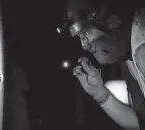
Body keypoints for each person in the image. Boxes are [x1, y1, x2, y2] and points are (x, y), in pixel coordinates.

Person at [59, 0, 145, 129]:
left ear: (111, 21)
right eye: (80, 38)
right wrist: (101, 95)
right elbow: (141, 123)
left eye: (86, 33)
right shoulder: (128, 54)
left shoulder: (141, 47)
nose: (84, 45)